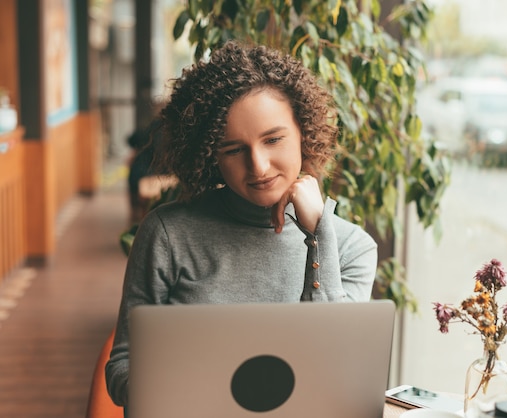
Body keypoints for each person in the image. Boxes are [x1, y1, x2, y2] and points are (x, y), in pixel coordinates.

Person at [105, 40, 378, 408]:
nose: (259, 166)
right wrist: (181, 390)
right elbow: (122, 368)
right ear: (211, 155)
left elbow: (340, 371)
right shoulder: (169, 235)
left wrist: (319, 234)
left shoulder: (349, 247)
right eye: (233, 149)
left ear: (304, 131)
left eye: (273, 139)